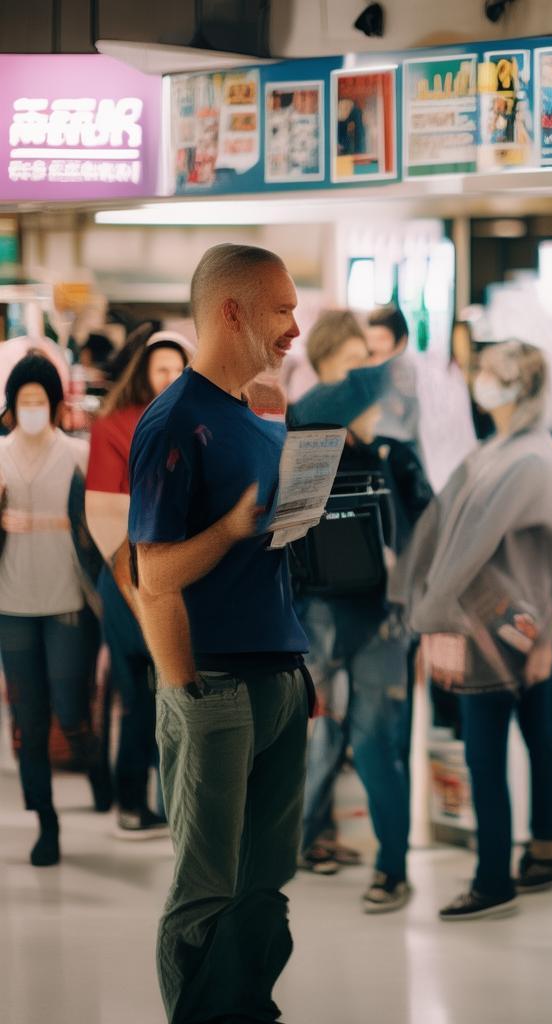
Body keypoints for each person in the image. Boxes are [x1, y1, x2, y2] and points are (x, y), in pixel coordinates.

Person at [128, 243, 313, 1024]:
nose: (295, 329)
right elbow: (156, 574)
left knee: (265, 884)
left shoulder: (258, 420)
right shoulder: (174, 422)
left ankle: (247, 1009)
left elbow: (263, 559)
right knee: (207, 887)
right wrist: (186, 694)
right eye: (282, 310)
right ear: (231, 310)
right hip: (214, 687)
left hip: (279, 679)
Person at [390, 340, 552, 920]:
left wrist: (427, 615)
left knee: (490, 755)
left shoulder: (521, 460)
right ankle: (545, 849)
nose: (479, 380)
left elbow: (464, 549)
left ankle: (494, 876)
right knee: (536, 738)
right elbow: (443, 529)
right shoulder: (504, 451)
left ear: (517, 385)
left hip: (499, 628)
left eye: (490, 373)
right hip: (520, 624)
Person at [291, 360, 432, 909]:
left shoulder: (395, 457)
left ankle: (391, 868)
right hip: (319, 616)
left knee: (374, 745)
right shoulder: (307, 451)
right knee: (314, 739)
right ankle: (300, 843)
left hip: (383, 621)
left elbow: (428, 527)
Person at [86, 332, 190, 838]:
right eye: (160, 369)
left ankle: (172, 802)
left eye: (178, 369)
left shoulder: (198, 423)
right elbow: (106, 516)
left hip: (179, 578)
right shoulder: (114, 425)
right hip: (127, 577)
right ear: (144, 373)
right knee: (139, 693)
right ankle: (132, 800)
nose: (169, 379)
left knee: (176, 695)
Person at [0, 354, 99, 866]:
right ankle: (46, 820)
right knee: (29, 718)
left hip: (68, 601)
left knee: (70, 706)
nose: (33, 409)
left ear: (56, 405)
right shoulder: (0, 455)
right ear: (12, 406)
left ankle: (97, 769)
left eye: (42, 401)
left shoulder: (78, 453)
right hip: (11, 604)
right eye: (25, 401)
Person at [366, 304, 421, 452]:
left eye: (382, 339)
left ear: (402, 341)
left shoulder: (409, 374)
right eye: (370, 339)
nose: (375, 346)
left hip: (402, 449)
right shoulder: (363, 370)